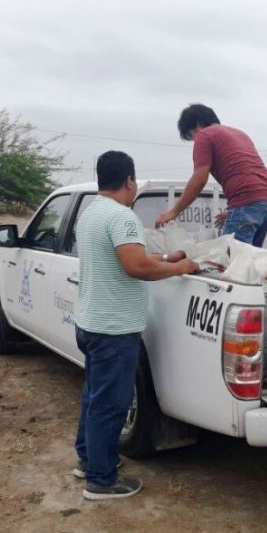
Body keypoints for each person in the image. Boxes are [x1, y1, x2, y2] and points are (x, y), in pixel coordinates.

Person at [73, 150, 199, 501]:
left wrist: (164, 257)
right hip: (114, 328)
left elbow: (129, 258)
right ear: (129, 181)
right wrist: (181, 269)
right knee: (110, 403)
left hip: (91, 322)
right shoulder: (123, 217)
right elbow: (135, 267)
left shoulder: (91, 214)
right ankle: (101, 479)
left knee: (94, 397)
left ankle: (87, 459)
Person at [154, 104, 267, 247]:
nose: (194, 140)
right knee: (250, 261)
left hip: (247, 201)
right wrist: (234, 212)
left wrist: (173, 212)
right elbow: (246, 171)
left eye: (191, 135)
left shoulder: (204, 135)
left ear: (197, 124)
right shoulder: (240, 134)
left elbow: (200, 179)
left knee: (232, 261)